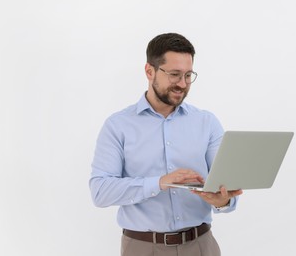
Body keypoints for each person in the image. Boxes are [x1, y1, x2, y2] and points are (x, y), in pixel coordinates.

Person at [89, 32, 243, 256]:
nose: (182, 84)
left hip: (201, 245)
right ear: (149, 71)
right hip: (142, 248)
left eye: (188, 75)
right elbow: (100, 191)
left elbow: (225, 185)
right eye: (174, 74)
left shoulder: (207, 122)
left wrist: (223, 200)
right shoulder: (117, 126)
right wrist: (159, 183)